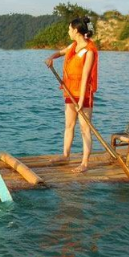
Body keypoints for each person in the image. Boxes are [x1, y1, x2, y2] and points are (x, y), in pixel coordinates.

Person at [44, 17, 98, 173]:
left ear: (76, 30)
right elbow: (59, 52)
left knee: (84, 128)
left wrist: (81, 100)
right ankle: (65, 155)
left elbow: (86, 77)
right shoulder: (73, 46)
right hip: (69, 91)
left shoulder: (89, 50)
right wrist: (51, 58)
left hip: (83, 94)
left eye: (69, 29)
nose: (68, 31)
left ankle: (85, 163)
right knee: (69, 125)